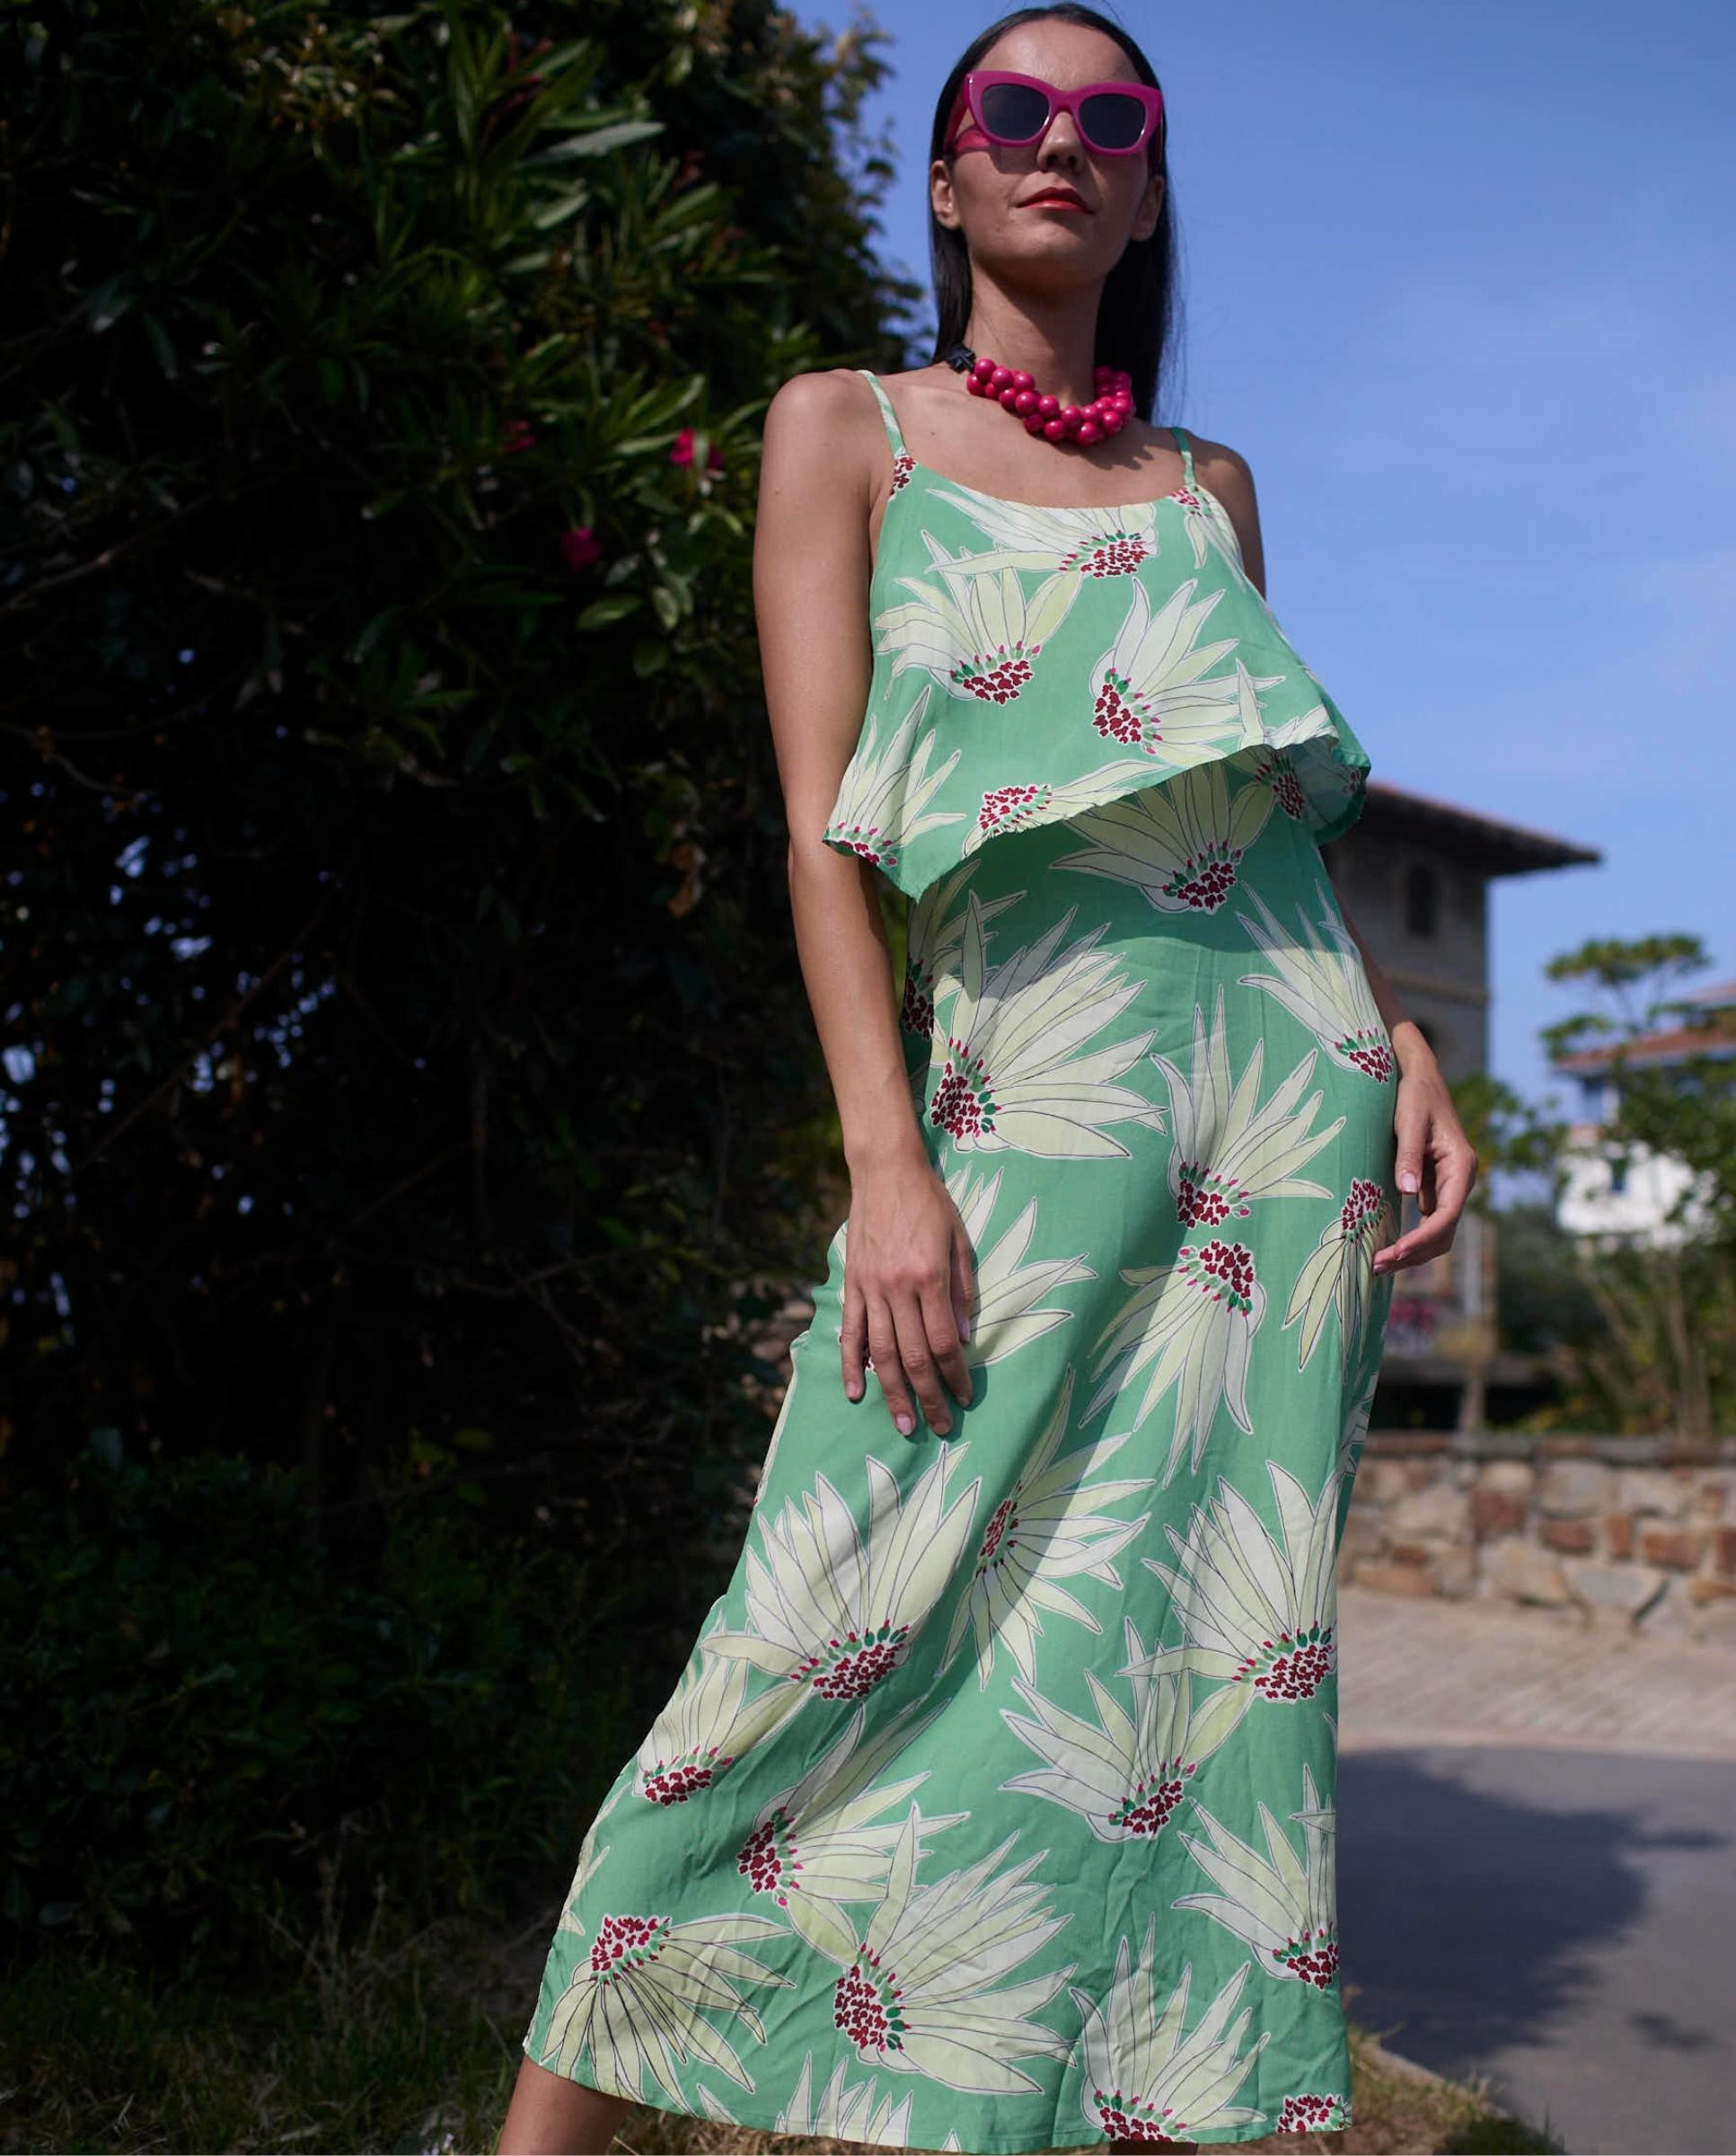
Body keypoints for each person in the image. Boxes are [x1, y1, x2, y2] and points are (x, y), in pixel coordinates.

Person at [497, 6, 1476, 2152]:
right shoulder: (845, 429)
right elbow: (820, 832)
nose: (1061, 141)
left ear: (1146, 187)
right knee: (814, 1618)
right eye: (1009, 110)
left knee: (1181, 1688)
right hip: (1018, 1114)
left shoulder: (1207, 491)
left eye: (1111, 117)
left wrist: (1398, 1035)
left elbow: (1251, 819)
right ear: (942, 178)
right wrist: (885, 1164)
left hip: (1280, 1137)